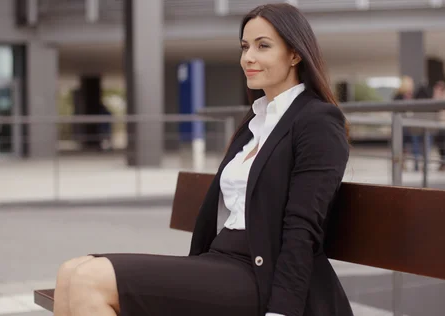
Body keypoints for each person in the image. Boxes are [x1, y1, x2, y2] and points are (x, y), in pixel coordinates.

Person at [53, 3, 352, 316]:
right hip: (221, 260)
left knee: (90, 279)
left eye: (263, 46)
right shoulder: (257, 120)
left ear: (295, 54)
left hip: (261, 277)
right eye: (245, 46)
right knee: (70, 273)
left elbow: (303, 228)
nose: (248, 57)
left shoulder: (317, 120)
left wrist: (282, 310)